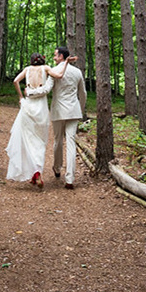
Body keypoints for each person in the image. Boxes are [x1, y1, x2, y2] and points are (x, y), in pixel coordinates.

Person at [5, 52, 74, 188]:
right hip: (41, 108)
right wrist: (66, 62)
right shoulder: (46, 68)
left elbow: (15, 81)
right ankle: (37, 171)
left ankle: (34, 173)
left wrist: (20, 97)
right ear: (42, 60)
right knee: (40, 141)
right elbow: (59, 75)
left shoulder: (27, 69)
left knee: (28, 140)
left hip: (28, 105)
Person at [49, 45, 87, 190]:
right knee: (71, 142)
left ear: (62, 57)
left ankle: (57, 168)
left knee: (58, 140)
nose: (54, 57)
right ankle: (70, 178)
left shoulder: (54, 71)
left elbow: (48, 88)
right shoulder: (77, 72)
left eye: (55, 55)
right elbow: (82, 93)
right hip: (73, 111)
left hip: (58, 111)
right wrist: (81, 109)